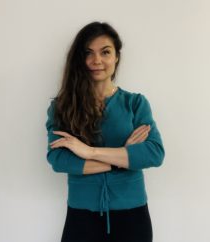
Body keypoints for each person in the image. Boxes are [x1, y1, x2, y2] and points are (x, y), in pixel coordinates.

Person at [45, 21, 165, 242]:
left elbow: (154, 153)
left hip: (132, 215)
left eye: (105, 52)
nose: (96, 60)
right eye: (88, 53)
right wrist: (122, 157)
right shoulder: (62, 106)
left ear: (116, 56)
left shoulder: (135, 103)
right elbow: (59, 158)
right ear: (79, 59)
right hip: (81, 215)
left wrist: (88, 152)